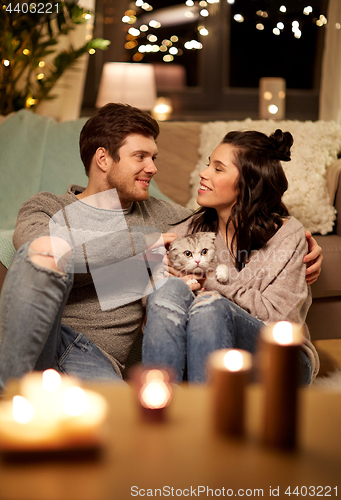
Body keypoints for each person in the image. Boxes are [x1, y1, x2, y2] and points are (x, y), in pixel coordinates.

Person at [0, 105, 321, 391]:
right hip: (43, 337)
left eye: (154, 158)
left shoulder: (168, 218)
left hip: (93, 357)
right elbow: (41, 256)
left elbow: (235, 218)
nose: (153, 168)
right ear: (103, 158)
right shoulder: (45, 207)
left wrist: (301, 244)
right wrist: (142, 244)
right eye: (141, 157)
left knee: (126, 437)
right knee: (41, 252)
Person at [142, 129, 320, 386]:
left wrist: (209, 279)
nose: (203, 173)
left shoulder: (288, 236)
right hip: (204, 353)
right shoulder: (185, 233)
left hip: (281, 360)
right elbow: (157, 315)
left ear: (249, 183)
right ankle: (172, 408)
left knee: (211, 306)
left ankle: (205, 416)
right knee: (177, 295)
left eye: (218, 168)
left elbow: (280, 321)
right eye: (208, 165)